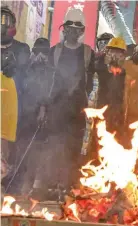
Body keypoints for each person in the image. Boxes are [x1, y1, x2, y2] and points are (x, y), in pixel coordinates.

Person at [31, 7, 95, 198]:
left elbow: (91, 84)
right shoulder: (55, 52)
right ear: (64, 29)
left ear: (82, 31)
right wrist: (43, 108)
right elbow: (46, 82)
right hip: (56, 109)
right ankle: (47, 187)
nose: (73, 31)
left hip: (77, 110)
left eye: (77, 27)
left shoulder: (88, 54)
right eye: (70, 27)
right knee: (53, 146)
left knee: (74, 148)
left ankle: (68, 187)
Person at [1, 6, 30, 192]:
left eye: (6, 21)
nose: (3, 26)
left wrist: (14, 65)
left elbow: (24, 71)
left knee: (7, 148)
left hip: (11, 106)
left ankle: (6, 185)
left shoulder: (21, 48)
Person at [20, 38, 54, 195]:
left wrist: (43, 109)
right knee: (24, 150)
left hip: (42, 116)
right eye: (37, 51)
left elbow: (48, 93)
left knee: (40, 150)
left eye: (44, 52)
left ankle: (37, 184)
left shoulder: (50, 71)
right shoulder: (27, 69)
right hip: (25, 115)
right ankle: (25, 183)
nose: (41, 55)